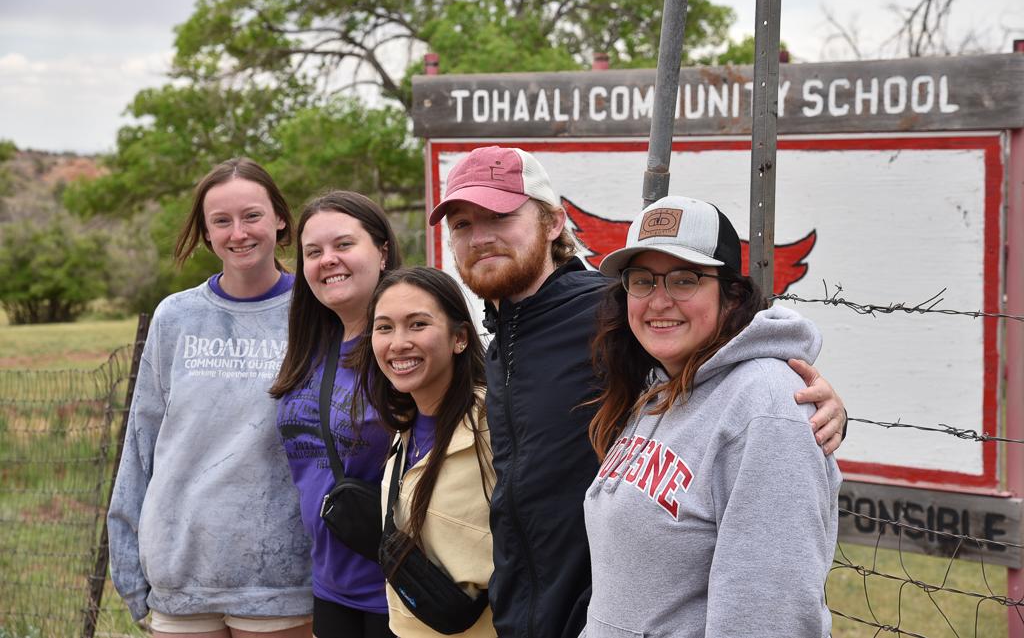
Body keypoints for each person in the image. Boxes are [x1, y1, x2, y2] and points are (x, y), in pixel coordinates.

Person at [427, 145, 847, 638]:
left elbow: (771, 600)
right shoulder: (600, 352)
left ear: (554, 222)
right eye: (462, 225)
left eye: (499, 215)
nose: (657, 300)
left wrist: (803, 412)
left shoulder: (603, 317)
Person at [584, 195, 841, 636]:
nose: (658, 300)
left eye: (684, 280)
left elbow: (769, 615)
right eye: (642, 281)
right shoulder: (657, 386)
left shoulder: (767, 406)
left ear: (731, 294)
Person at [107, 157, 314, 638]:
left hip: (278, 579)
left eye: (252, 215)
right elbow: (141, 443)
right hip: (179, 575)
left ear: (280, 219)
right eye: (221, 220)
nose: (238, 232)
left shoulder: (313, 312)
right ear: (205, 232)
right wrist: (130, 566)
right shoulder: (176, 317)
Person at [270, 191, 401, 638]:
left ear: (382, 252)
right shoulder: (311, 349)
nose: (327, 260)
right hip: (329, 588)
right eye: (313, 252)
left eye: (343, 245)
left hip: (397, 592)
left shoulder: (406, 350)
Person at [354, 266, 496, 637]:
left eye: (417, 324)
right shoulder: (404, 426)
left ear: (459, 337)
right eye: (384, 327)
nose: (398, 343)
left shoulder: (494, 423)